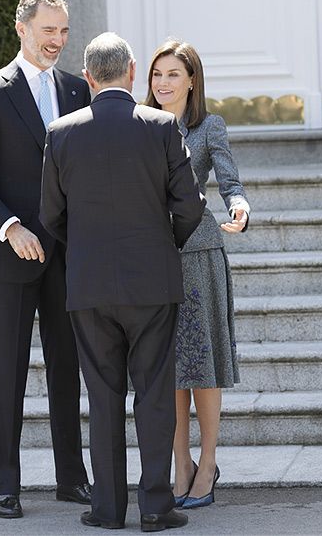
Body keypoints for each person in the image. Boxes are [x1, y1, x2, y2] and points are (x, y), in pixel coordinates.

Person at [40, 32, 205, 531]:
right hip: (152, 282)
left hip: (88, 284)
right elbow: (191, 206)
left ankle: (107, 509)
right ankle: (156, 507)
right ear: (132, 71)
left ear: (88, 76)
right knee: (154, 394)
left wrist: (88, 249)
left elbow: (50, 215)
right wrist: (163, 243)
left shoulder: (60, 132)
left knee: (103, 396)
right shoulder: (160, 125)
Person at [0, 0, 92, 519]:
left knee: (67, 367)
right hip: (11, 256)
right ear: (22, 30)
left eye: (63, 31)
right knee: (7, 372)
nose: (56, 40)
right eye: (47, 30)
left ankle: (71, 479)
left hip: (69, 256)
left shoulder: (79, 91)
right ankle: (5, 486)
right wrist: (8, 227)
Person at [145, 40, 250, 509]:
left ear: (192, 80)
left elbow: (229, 181)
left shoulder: (209, 127)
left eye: (172, 74)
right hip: (151, 256)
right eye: (156, 75)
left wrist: (240, 206)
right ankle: (179, 463)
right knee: (167, 368)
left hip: (200, 254)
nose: (163, 83)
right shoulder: (139, 124)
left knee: (202, 365)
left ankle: (208, 462)